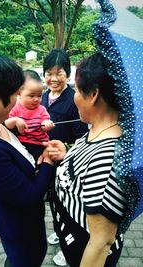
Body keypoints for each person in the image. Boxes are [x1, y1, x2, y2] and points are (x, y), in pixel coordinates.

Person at [0, 52, 65, 267]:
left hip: (23, 221)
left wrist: (12, 125)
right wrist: (47, 162)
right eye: (16, 94)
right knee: (26, 260)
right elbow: (30, 196)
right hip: (18, 226)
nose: (19, 100)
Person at [49, 52, 127, 267]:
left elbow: (102, 242)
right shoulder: (97, 130)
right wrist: (67, 154)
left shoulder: (109, 157)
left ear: (93, 94)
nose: (73, 95)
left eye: (76, 88)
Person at [42, 48, 88, 266]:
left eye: (59, 73)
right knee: (53, 201)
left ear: (68, 75)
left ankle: (67, 245)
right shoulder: (41, 97)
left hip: (67, 166)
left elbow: (81, 137)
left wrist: (66, 150)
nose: (54, 78)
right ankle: (58, 233)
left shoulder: (73, 100)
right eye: (49, 73)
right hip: (48, 162)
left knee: (67, 207)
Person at [4, 69, 54, 162]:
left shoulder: (41, 109)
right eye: (31, 96)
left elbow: (45, 123)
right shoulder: (16, 108)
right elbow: (7, 124)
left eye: (39, 96)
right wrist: (15, 120)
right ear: (19, 94)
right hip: (22, 143)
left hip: (39, 144)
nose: (36, 99)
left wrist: (47, 124)